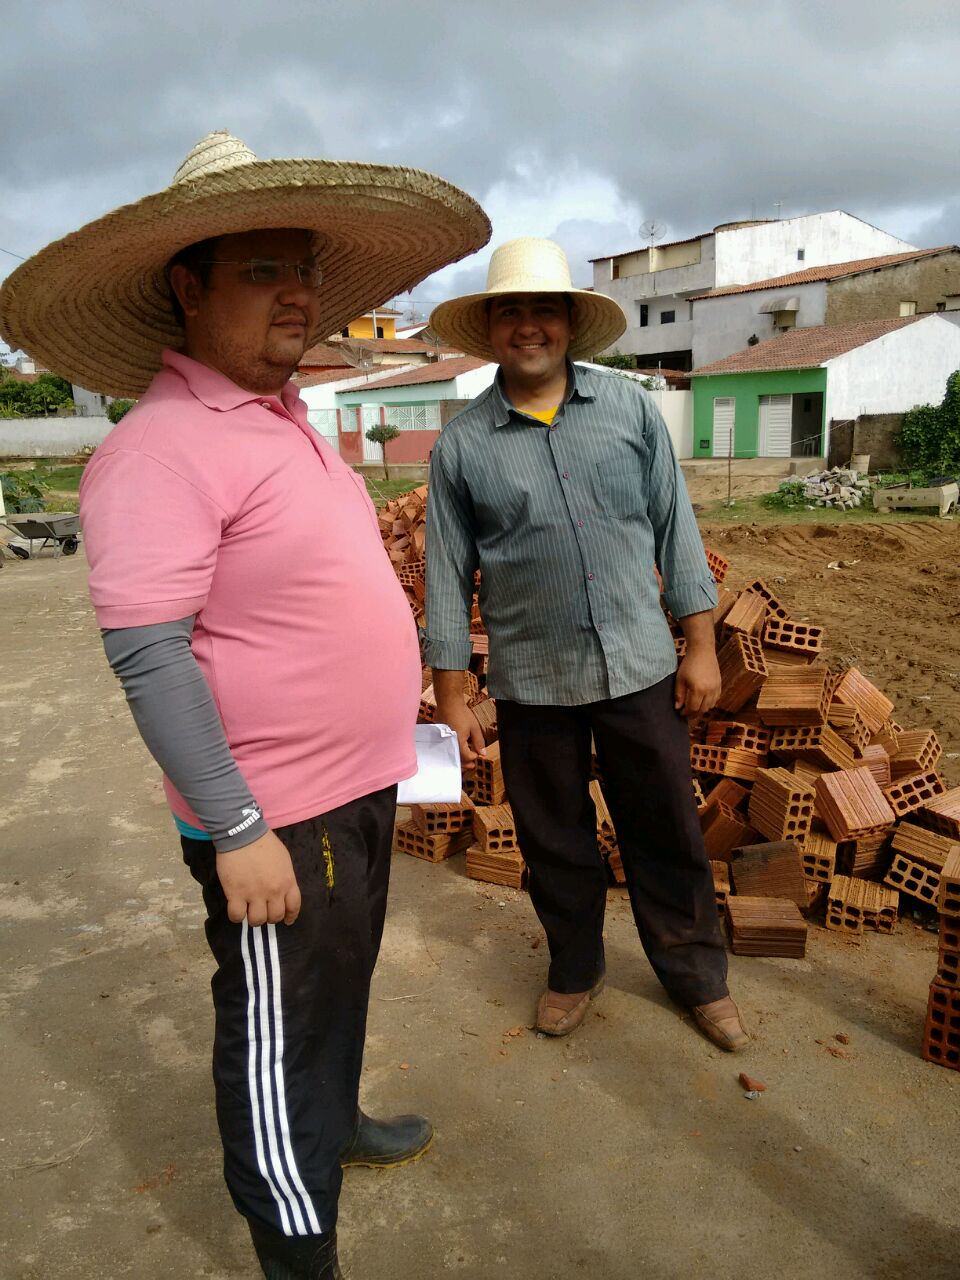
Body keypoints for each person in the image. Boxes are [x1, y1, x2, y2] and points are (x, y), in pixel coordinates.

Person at [0, 131, 490, 1279]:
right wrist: (235, 826)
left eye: (303, 269)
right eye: (263, 269)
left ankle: (338, 1123)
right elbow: (151, 657)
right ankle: (293, 1237)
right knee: (272, 1026)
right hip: (274, 816)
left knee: (335, 987)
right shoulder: (158, 449)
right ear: (189, 284)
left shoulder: (283, 422)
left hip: (357, 786)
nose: (297, 292)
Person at [422, 237, 748, 1054]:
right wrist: (453, 695)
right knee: (554, 837)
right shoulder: (463, 444)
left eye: (542, 310)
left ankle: (696, 976)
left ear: (567, 323)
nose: (527, 327)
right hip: (533, 679)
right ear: (491, 329)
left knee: (666, 826)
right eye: (510, 313)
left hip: (638, 663)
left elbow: (676, 532)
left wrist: (700, 646)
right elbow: (445, 572)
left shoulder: (631, 409)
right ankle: (574, 966)